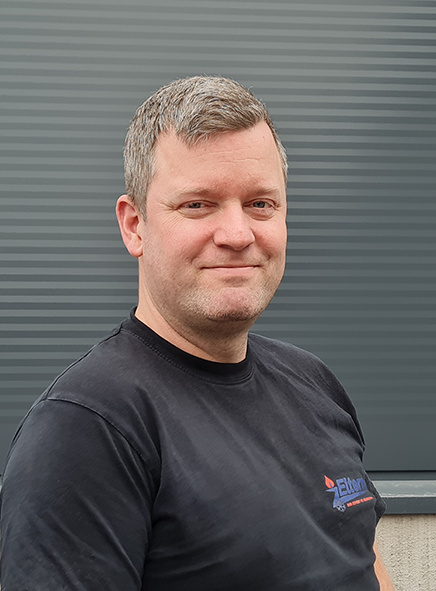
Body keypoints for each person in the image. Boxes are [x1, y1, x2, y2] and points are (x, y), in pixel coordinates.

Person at [0, 76, 394, 590]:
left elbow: (360, 556)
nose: (237, 234)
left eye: (260, 203)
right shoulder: (89, 428)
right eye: (197, 205)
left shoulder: (314, 383)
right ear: (134, 225)